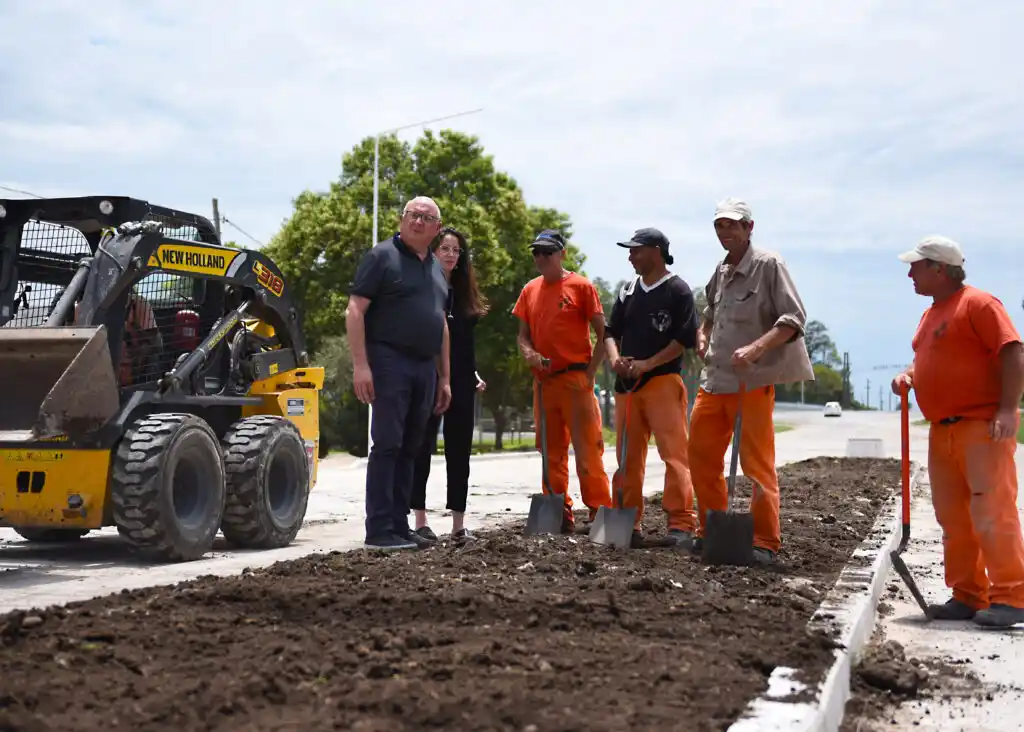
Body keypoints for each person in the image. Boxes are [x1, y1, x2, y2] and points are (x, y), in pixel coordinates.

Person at [891, 235, 1024, 629]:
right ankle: (968, 594)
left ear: (940, 269)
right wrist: (910, 376)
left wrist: (1007, 409)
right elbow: (934, 361)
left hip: (982, 427)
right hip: (943, 430)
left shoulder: (979, 304)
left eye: (917, 266)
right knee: (953, 518)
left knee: (991, 513)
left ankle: (1012, 595)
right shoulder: (931, 314)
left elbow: (1013, 350)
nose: (910, 273)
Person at [688, 198, 813, 565]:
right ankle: (710, 529)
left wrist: (756, 349)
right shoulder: (721, 270)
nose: (725, 232)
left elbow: (794, 318)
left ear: (749, 228)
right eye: (719, 226)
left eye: (732, 225)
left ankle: (764, 541)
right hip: (714, 382)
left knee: (756, 465)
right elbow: (709, 310)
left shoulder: (769, 266)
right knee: (701, 457)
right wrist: (702, 334)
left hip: (752, 384)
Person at [346, 196, 452, 551]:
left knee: (411, 448)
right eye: (413, 215)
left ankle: (399, 524)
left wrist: (445, 377)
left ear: (437, 228)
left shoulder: (436, 269)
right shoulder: (381, 257)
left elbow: (441, 326)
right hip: (389, 361)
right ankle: (378, 529)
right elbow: (355, 311)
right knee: (388, 445)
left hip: (425, 367)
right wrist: (361, 365)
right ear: (402, 219)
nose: (418, 222)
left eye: (426, 218)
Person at [604, 227, 699, 548]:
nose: (630, 256)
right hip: (627, 387)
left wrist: (647, 364)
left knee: (674, 456)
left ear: (656, 252)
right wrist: (616, 359)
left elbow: (682, 342)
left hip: (663, 384)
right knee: (628, 458)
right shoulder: (627, 291)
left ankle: (681, 525)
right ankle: (626, 522)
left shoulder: (678, 291)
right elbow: (609, 332)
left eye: (636, 250)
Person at [512, 229, 612, 533]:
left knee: (587, 451)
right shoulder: (530, 290)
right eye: (536, 253)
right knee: (550, 453)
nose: (541, 258)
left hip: (575, 380)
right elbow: (522, 336)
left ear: (561, 254)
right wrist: (528, 353)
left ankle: (600, 514)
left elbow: (603, 332)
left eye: (547, 252)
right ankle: (559, 514)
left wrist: (591, 371)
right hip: (544, 384)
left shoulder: (581, 287)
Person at [411, 226, 488, 543]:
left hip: (461, 380)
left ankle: (458, 524)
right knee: (422, 447)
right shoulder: (421, 288)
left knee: (460, 451)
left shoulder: (464, 295)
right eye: (445, 248)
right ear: (433, 251)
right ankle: (419, 521)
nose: (452, 255)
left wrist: (473, 373)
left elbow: (464, 343)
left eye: (457, 250)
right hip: (428, 377)